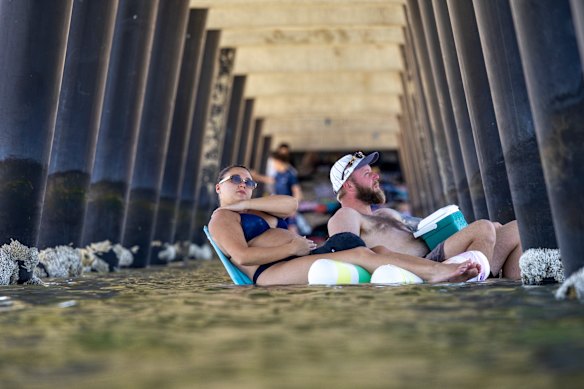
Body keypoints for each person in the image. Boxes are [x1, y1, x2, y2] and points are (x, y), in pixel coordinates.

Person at [208, 164, 483, 286]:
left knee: (378, 251)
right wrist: (292, 245)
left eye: (248, 181)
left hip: (294, 258)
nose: (243, 184)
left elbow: (290, 205)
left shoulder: (248, 210)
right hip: (270, 272)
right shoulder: (222, 217)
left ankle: (436, 272)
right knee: (360, 253)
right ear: (219, 187)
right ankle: (437, 273)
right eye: (235, 180)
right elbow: (242, 255)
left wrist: (244, 204)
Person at [327, 151, 522, 279]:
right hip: (425, 268)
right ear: (349, 185)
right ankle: (479, 292)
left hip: (437, 255)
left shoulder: (387, 213)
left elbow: (423, 231)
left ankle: (516, 288)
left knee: (513, 229)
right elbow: (348, 254)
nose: (376, 176)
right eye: (367, 174)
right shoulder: (345, 215)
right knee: (484, 228)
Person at [253, 151, 303, 233]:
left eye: (274, 163)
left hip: (288, 207)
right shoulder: (278, 174)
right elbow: (270, 180)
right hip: (279, 206)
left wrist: (294, 208)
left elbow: (297, 192)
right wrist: (256, 177)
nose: (273, 165)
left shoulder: (290, 174)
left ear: (278, 162)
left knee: (292, 230)